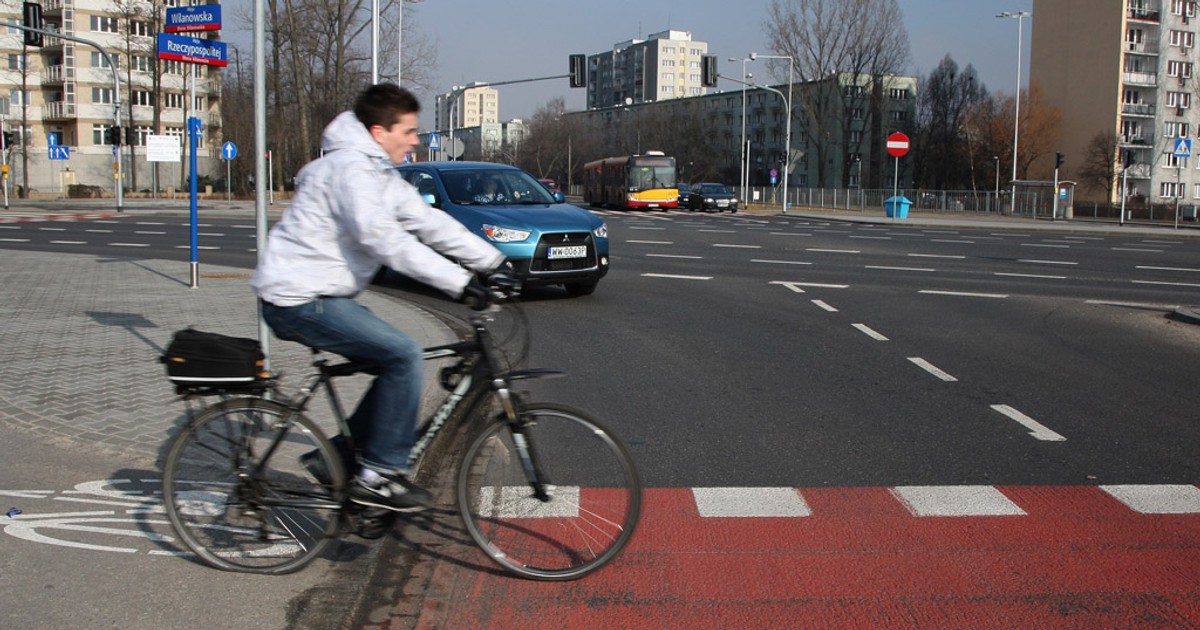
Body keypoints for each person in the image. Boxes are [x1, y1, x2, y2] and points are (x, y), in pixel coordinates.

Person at [252, 83, 505, 512]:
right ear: (377, 132)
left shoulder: (377, 173)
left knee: (393, 363)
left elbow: (427, 222)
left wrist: (494, 262)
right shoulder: (348, 171)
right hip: (295, 298)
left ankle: (335, 460)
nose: (414, 140)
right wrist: (460, 283)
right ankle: (379, 475)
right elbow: (384, 239)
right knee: (403, 354)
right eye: (407, 131)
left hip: (325, 294)